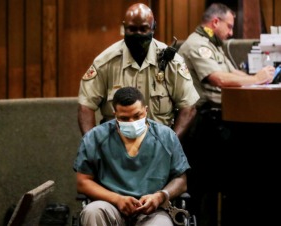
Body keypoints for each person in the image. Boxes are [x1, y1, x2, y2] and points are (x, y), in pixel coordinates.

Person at [178, 3, 275, 226]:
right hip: (200, 124)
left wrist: (260, 77)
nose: (231, 33)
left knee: (234, 181)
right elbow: (219, 79)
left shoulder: (214, 44)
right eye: (229, 27)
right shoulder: (197, 45)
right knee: (201, 187)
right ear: (215, 22)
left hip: (219, 122)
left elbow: (232, 72)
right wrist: (256, 79)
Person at [77, 3, 199, 141]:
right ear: (124, 27)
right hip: (115, 145)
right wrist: (93, 145)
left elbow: (188, 107)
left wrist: (171, 144)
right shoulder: (105, 62)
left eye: (143, 29)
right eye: (132, 29)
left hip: (159, 144)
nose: (138, 34)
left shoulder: (172, 62)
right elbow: (85, 107)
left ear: (154, 27)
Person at [73, 86, 191, 226]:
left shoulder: (166, 137)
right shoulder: (96, 137)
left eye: (137, 116)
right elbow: (82, 182)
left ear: (146, 110)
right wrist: (117, 199)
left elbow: (181, 181)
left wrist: (160, 196)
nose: (131, 122)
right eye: (124, 118)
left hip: (153, 211)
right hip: (110, 205)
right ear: (114, 114)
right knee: (92, 211)